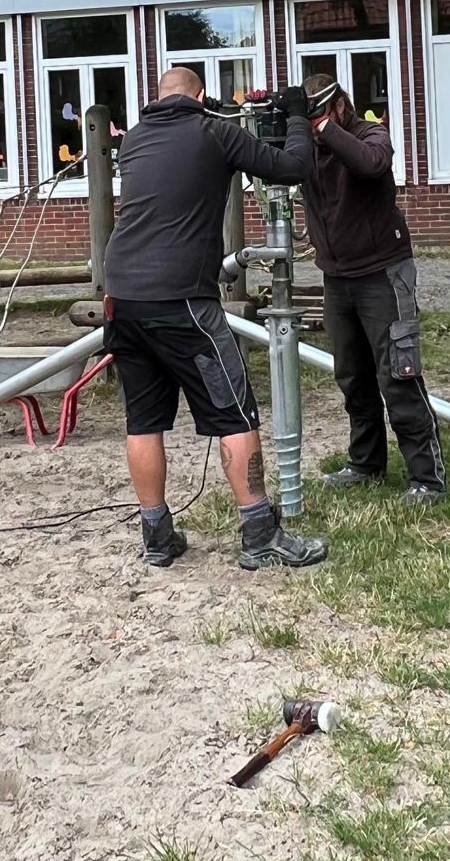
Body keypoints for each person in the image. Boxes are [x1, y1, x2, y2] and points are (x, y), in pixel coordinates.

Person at [103, 67, 328, 570]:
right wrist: (295, 114)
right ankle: (259, 533)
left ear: (158, 98)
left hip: (122, 295)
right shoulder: (214, 131)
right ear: (202, 97)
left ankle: (156, 536)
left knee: (143, 420)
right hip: (181, 296)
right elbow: (293, 167)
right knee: (235, 413)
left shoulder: (135, 139)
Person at [299, 72, 446, 504]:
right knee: (352, 377)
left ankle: (427, 478)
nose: (312, 127)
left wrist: (325, 128)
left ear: (337, 106)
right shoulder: (305, 146)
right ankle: (366, 464)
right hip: (336, 276)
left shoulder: (370, 133)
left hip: (384, 271)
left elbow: (371, 163)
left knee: (398, 375)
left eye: (319, 116)